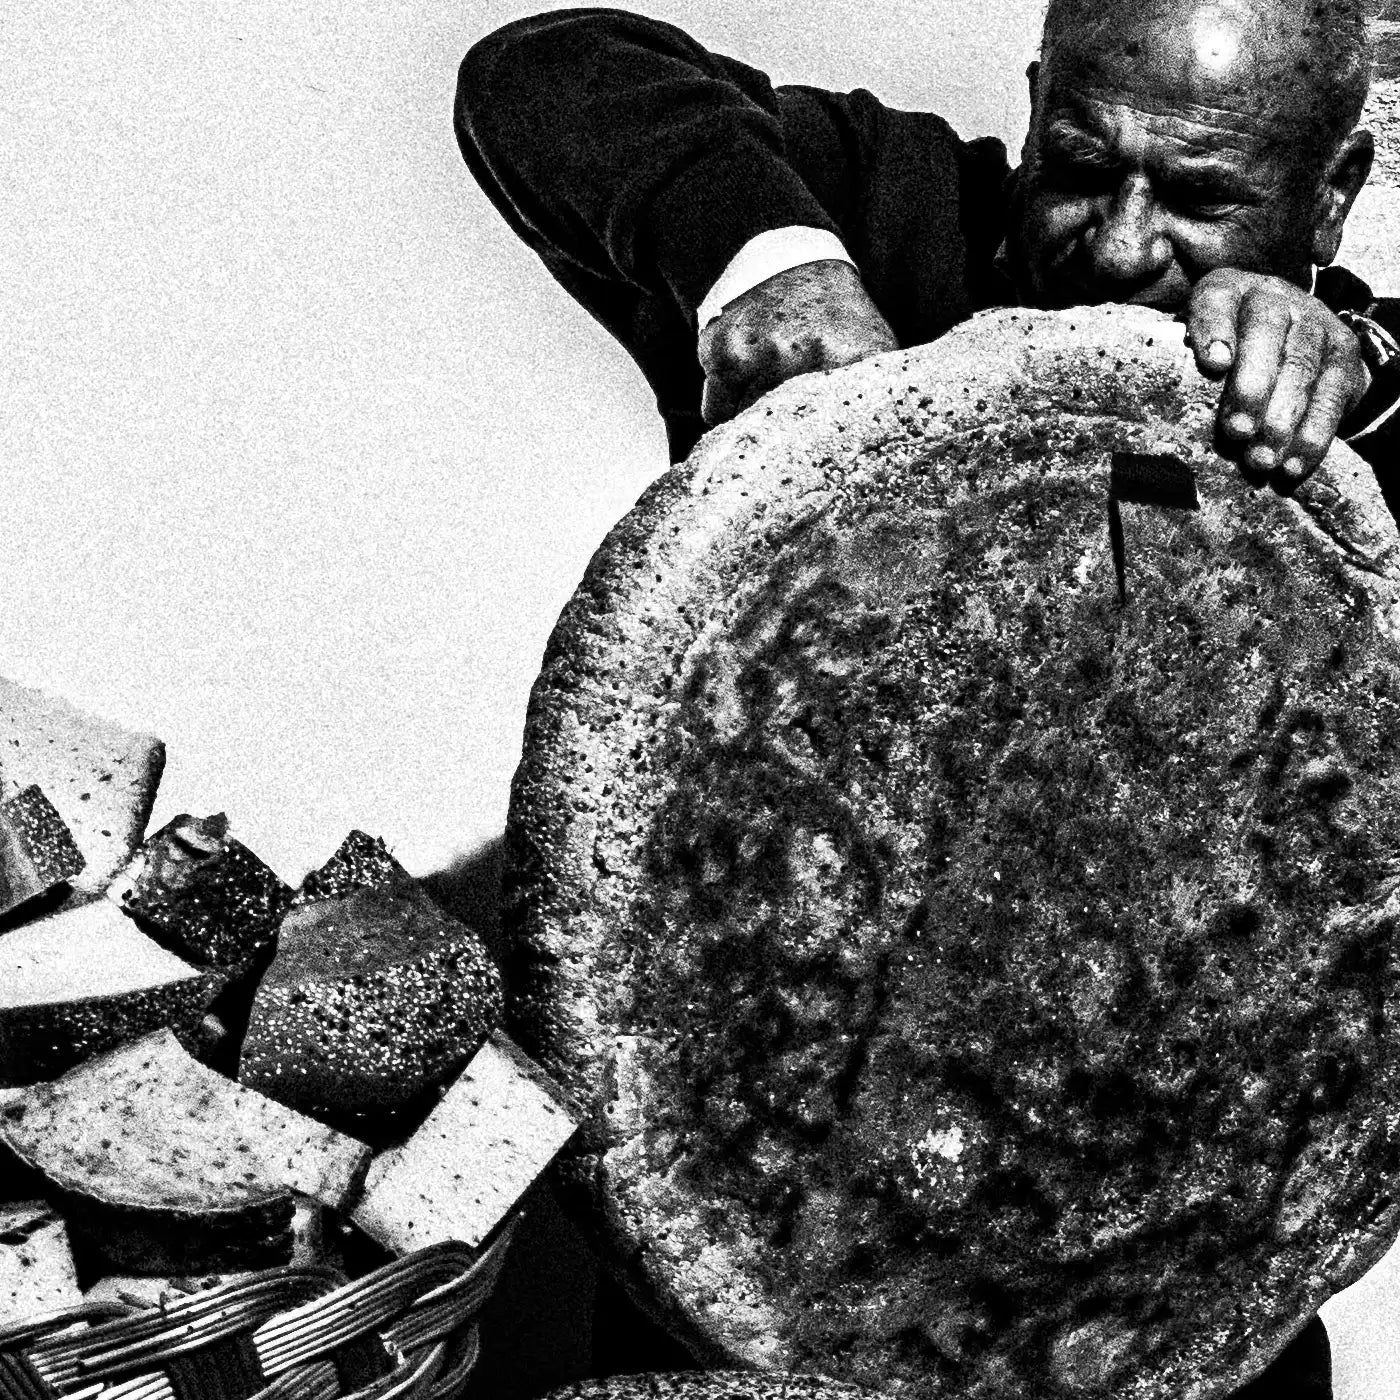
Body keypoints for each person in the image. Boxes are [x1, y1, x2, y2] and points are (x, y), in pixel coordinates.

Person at [456, 3, 1391, 1395]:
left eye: (1203, 201)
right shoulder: (901, 215)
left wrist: (1364, 364)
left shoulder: (1329, 388)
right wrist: (766, 262)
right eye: (1080, 168)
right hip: (762, 1282)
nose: (1121, 246)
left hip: (1174, 1301)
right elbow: (540, 77)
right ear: (1037, 100)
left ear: (1333, 190)